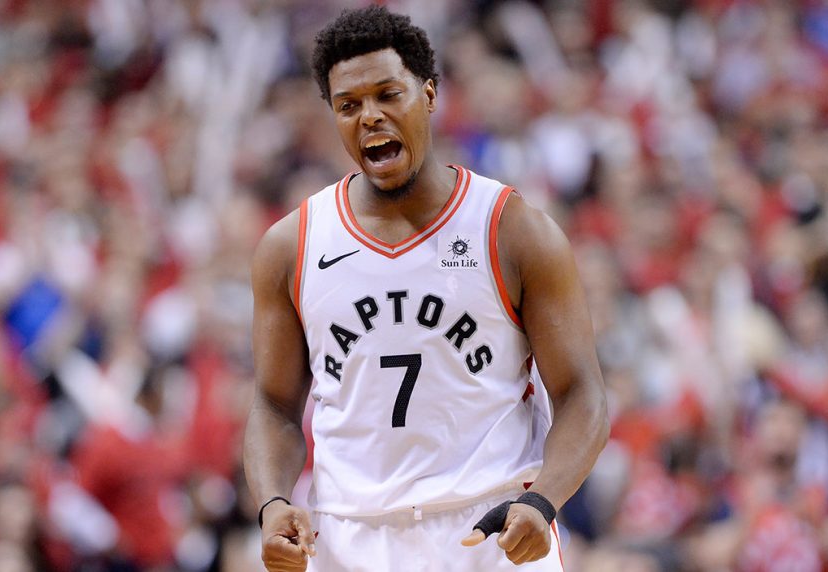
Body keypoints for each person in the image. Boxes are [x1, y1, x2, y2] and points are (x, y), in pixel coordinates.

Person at [243, 6, 609, 571]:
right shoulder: (291, 245)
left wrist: (544, 500)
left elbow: (583, 394)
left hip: (493, 526)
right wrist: (272, 503)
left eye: (388, 94)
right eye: (348, 105)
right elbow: (273, 405)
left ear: (430, 94)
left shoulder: (512, 230)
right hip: (349, 535)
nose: (370, 116)